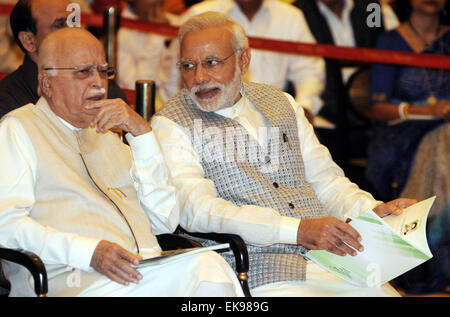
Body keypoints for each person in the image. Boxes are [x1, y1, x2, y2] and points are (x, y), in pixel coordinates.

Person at [143, 11, 417, 297]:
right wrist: (296, 230)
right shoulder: (171, 123)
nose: (199, 77)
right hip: (260, 270)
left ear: (243, 60)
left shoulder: (281, 102)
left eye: (212, 63)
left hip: (336, 259)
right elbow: (198, 211)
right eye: (188, 65)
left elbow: (326, 180)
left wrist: (370, 210)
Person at [0, 27, 244, 297]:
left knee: (207, 265)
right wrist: (88, 252)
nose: (98, 83)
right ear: (47, 82)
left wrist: (142, 135)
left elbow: (164, 220)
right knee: (203, 270)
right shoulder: (18, 129)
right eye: (84, 72)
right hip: (75, 281)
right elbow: (5, 225)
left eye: (103, 71)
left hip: (144, 273)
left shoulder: (108, 135)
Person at [366, 0, 450, 294]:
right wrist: (429, 112)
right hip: (401, 134)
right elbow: (377, 108)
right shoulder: (389, 40)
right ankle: (436, 268)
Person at [166, 0, 325, 120]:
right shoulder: (199, 14)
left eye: (211, 62)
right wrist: (184, 117)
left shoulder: (290, 17)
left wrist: (304, 108)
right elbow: (173, 76)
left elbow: (308, 70)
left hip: (277, 118)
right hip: (208, 118)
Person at [292, 0, 399, 172]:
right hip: (326, 101)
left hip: (373, 95)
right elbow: (305, 69)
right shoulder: (299, 12)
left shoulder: (371, 8)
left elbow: (382, 42)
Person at [0, 0, 127, 118]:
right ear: (29, 40)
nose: (72, 33)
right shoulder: (8, 98)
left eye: (74, 23)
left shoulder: (105, 86)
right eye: (60, 25)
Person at [116, 0, 181, 111]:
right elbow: (134, 88)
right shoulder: (121, 32)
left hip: (176, 106)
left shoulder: (176, 22)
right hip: (141, 110)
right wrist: (158, 34)